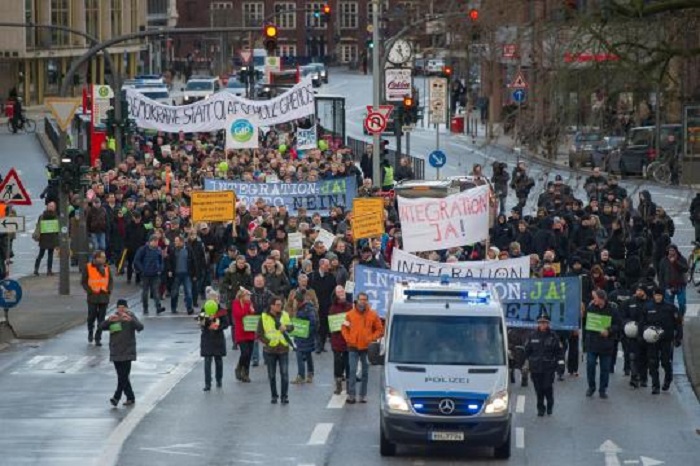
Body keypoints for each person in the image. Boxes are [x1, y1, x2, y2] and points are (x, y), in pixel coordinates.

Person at [341, 292, 384, 404]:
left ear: (367, 301)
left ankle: (363, 395)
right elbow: (344, 328)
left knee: (365, 372)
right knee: (352, 370)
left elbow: (380, 329)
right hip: (353, 347)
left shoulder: (373, 314)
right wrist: (348, 339)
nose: (363, 301)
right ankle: (351, 395)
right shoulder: (350, 314)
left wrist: (371, 338)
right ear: (357, 300)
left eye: (365, 299)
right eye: (361, 299)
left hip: (366, 348)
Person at [101, 299, 144, 407]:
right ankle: (130, 397)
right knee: (122, 376)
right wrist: (108, 321)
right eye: (119, 307)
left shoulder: (130, 316)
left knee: (123, 376)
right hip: (116, 351)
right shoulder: (114, 318)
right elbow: (101, 327)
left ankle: (117, 397)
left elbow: (140, 327)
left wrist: (131, 320)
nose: (121, 309)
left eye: (123, 307)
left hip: (127, 351)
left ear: (127, 308)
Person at [641, 288, 683, 394]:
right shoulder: (648, 307)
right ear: (653, 296)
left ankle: (668, 379)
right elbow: (642, 322)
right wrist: (642, 334)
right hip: (652, 339)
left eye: (660, 295)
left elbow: (678, 323)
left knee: (665, 361)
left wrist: (678, 337)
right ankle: (655, 386)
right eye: (656, 295)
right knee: (653, 362)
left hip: (666, 339)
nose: (658, 297)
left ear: (663, 296)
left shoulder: (671, 308)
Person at [583, 289, 622, 399]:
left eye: (594, 297)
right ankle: (591, 387)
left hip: (606, 344)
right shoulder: (591, 308)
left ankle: (602, 389)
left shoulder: (613, 310)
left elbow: (618, 325)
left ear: (601, 299)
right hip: (592, 343)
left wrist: (609, 331)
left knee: (605, 368)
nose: (593, 300)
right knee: (590, 365)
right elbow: (587, 324)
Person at [524, 313, 564, 416]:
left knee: (547, 387)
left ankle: (550, 403)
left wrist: (560, 365)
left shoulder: (553, 336)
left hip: (548, 367)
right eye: (540, 322)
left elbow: (559, 352)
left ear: (548, 324)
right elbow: (527, 351)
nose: (542, 324)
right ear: (538, 323)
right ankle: (540, 408)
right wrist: (524, 364)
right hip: (535, 368)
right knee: (538, 389)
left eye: (544, 322)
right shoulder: (532, 335)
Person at [257, 296, 294, 404]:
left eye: (280, 304)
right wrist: (267, 342)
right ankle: (274, 396)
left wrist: (286, 328)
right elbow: (259, 333)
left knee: (284, 374)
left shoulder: (285, 315)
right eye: (277, 304)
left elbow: (292, 327)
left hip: (283, 348)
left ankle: (284, 396)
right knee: (272, 375)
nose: (280, 306)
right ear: (271, 306)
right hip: (270, 350)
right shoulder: (264, 317)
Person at [81, 250, 113, 347]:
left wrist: (109, 290)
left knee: (101, 319)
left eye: (104, 257)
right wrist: (89, 291)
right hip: (93, 296)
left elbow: (110, 280)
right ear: (96, 258)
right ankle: (90, 331)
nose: (104, 259)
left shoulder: (106, 267)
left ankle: (98, 337)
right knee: (91, 316)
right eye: (102, 257)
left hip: (104, 296)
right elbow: (84, 281)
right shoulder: (88, 267)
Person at [198, 294, 229, 391]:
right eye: (212, 299)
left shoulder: (222, 311)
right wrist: (207, 321)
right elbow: (201, 324)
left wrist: (217, 326)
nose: (214, 301)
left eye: (215, 299)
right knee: (207, 361)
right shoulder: (204, 310)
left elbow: (226, 324)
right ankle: (207, 383)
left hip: (218, 338)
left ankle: (219, 379)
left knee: (218, 361)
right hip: (207, 338)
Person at [290, 291, 318, 384]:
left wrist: (306, 333)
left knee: (300, 354)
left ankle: (301, 376)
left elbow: (313, 322)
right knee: (307, 354)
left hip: (305, 335)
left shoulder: (307, 309)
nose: (293, 304)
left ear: (298, 301)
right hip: (301, 335)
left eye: (294, 301)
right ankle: (310, 374)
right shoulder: (302, 308)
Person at [133, 235, 165, 315]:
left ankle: (158, 307)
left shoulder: (158, 250)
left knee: (155, 291)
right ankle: (145, 308)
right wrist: (142, 270)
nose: (156, 243)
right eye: (154, 241)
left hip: (155, 274)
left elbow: (161, 261)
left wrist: (160, 269)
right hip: (145, 274)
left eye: (157, 241)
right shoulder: (143, 249)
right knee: (145, 292)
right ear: (150, 241)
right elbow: (136, 260)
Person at [329, 285, 352, 395]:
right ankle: (338, 385)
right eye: (339, 292)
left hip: (348, 340)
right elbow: (332, 325)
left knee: (348, 363)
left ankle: (348, 385)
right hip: (337, 340)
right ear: (336, 294)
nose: (341, 293)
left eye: (342, 291)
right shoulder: (333, 308)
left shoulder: (350, 307)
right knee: (338, 363)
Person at [167, 235, 195, 315]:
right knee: (174, 293)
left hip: (187, 274)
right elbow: (169, 261)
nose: (175, 242)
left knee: (188, 293)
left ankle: (189, 308)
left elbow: (193, 261)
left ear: (182, 242)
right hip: (176, 275)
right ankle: (173, 308)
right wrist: (169, 270)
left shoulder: (188, 249)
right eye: (175, 241)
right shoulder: (173, 250)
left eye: (177, 241)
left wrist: (194, 274)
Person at [658, 244, 688, 317]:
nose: (671, 252)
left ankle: (681, 316)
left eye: (673, 250)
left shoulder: (681, 259)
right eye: (670, 250)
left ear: (676, 251)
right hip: (668, 286)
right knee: (668, 304)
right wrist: (661, 286)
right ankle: (671, 318)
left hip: (680, 285)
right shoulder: (664, 260)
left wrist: (675, 262)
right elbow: (661, 274)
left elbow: (685, 269)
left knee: (682, 303)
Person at [232, 288, 256, 383]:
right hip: (241, 332)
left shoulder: (250, 304)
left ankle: (246, 373)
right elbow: (239, 315)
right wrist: (248, 308)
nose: (249, 297)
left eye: (249, 295)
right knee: (245, 352)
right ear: (242, 296)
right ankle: (239, 367)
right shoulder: (236, 303)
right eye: (247, 295)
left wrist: (252, 310)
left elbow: (252, 317)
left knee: (249, 354)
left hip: (249, 331)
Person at [32, 201, 59, 276]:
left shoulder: (43, 216)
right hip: (48, 237)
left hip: (46, 237)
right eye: (50, 206)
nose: (51, 207)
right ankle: (47, 270)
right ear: (47, 207)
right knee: (44, 254)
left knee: (43, 254)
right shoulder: (55, 216)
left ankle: (38, 269)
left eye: (52, 206)